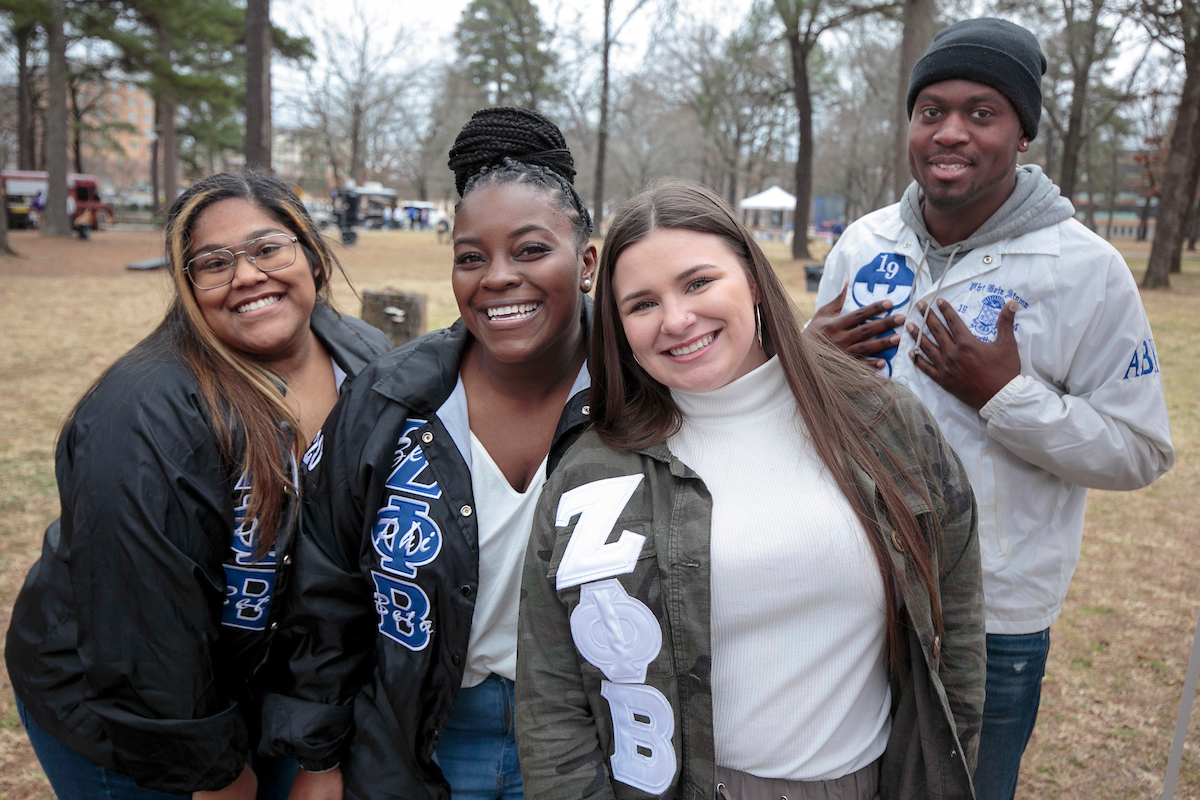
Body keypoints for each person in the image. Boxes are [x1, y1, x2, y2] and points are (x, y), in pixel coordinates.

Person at [516, 179, 986, 800]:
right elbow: (551, 695)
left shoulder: (883, 421)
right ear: (619, 329)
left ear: (755, 281)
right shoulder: (592, 474)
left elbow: (956, 629)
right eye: (641, 304)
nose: (677, 320)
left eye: (698, 282)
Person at [810, 19, 1175, 800]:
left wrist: (1004, 396)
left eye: (982, 112)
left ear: (1022, 133)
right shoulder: (863, 244)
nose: (950, 132)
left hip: (992, 624)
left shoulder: (1086, 270)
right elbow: (809, 423)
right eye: (930, 109)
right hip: (851, 599)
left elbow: (1141, 450)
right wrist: (808, 364)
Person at [5, 171, 392, 800]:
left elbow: (345, 579)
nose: (246, 275)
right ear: (188, 289)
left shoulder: (367, 364)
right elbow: (141, 625)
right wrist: (212, 773)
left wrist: (318, 749)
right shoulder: (142, 414)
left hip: (266, 688)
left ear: (312, 253)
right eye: (213, 263)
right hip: (127, 714)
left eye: (268, 248)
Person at [261, 107, 598, 800]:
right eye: (471, 257)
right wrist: (318, 760)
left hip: (593, 738)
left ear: (586, 260)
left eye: (532, 250)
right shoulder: (390, 400)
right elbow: (326, 589)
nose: (497, 277)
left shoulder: (639, 391)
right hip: (426, 740)